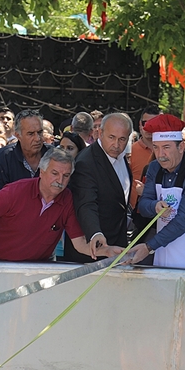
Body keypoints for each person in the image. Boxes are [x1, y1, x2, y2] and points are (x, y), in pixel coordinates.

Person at [0, 149, 122, 264]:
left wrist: (106, 251)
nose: (60, 180)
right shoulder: (16, 191)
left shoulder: (67, 200)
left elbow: (79, 244)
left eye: (66, 175)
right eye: (55, 173)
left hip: (29, 270)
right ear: (42, 171)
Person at [127, 114, 185, 269]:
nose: (160, 155)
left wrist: (148, 247)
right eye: (156, 147)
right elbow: (143, 204)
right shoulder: (154, 168)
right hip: (163, 249)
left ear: (181, 147)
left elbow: (184, 221)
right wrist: (155, 206)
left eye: (166, 147)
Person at [66, 112, 133, 263]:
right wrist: (95, 233)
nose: (116, 144)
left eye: (122, 139)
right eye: (111, 137)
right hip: (91, 251)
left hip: (117, 245)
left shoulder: (121, 157)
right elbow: (85, 203)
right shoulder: (86, 162)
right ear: (100, 133)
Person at [0, 109, 54, 198]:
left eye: (39, 132)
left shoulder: (53, 155)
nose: (37, 138)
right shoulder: (4, 157)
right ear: (18, 135)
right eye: (31, 134)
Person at [130, 105, 161, 206]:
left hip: (163, 210)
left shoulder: (169, 153)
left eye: (154, 123)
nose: (149, 127)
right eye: (145, 123)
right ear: (140, 125)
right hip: (135, 211)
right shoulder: (130, 152)